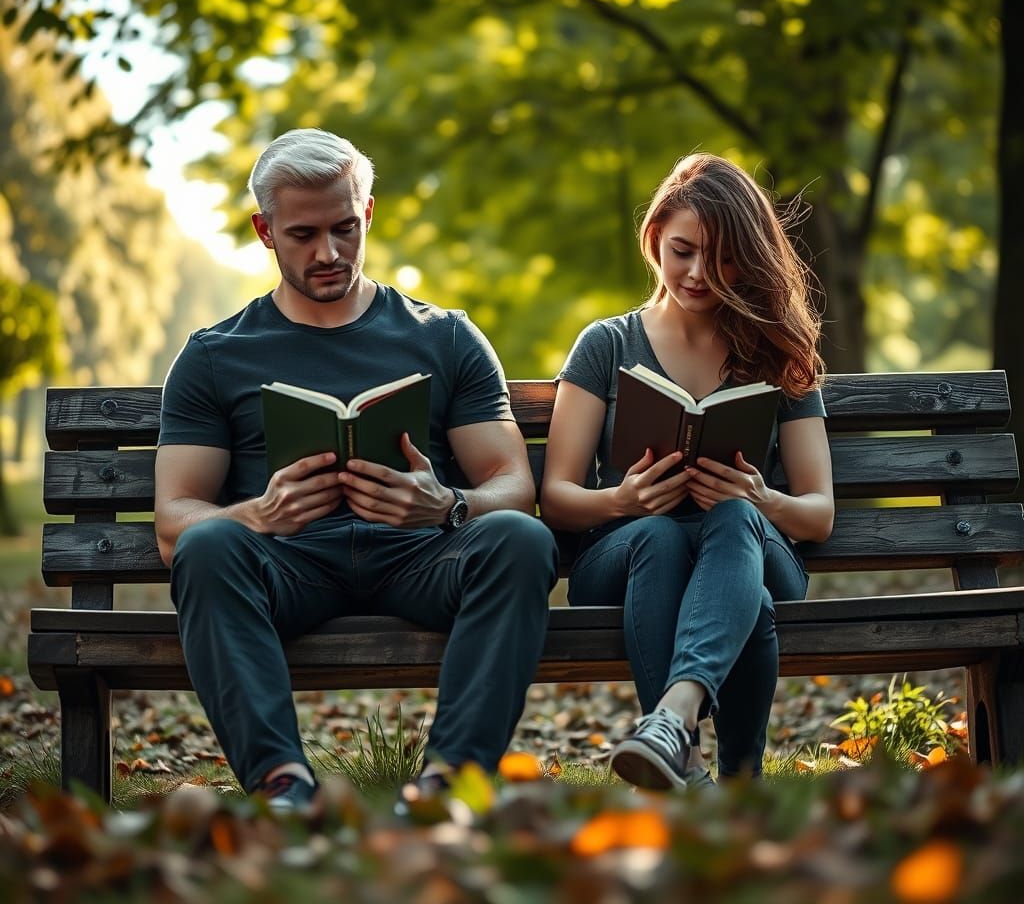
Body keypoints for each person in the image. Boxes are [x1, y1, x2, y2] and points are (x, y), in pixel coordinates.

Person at [155, 128, 558, 811]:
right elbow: (175, 517)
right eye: (304, 234)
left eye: (345, 228)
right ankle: (282, 784)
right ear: (264, 230)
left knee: (522, 539)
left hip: (419, 560)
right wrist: (257, 515)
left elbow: (513, 485)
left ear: (367, 212)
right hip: (289, 566)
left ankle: (448, 782)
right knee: (205, 546)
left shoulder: (444, 335)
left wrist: (445, 506)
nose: (329, 252)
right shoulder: (215, 355)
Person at [540, 153, 834, 790]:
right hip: (627, 557)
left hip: (750, 546)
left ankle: (674, 730)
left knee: (733, 518)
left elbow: (818, 512)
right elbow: (557, 498)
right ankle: (736, 778)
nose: (700, 273)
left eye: (724, 257)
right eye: (682, 251)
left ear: (750, 258)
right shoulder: (607, 345)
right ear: (654, 240)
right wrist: (624, 501)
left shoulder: (777, 350)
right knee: (662, 536)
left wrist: (762, 499)